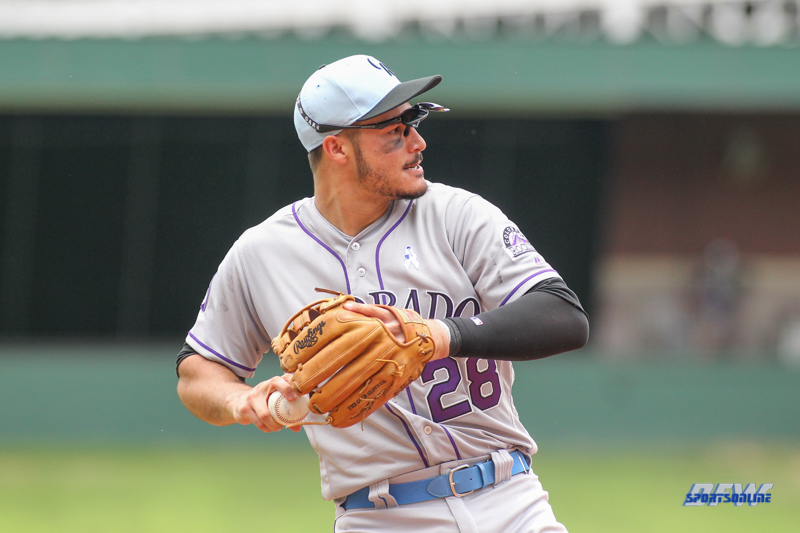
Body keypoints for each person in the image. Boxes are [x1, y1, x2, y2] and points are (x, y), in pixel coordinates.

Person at [176, 55, 589, 532]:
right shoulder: (261, 253)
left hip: (509, 501)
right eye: (394, 130)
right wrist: (239, 401)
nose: (418, 142)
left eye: (414, 121)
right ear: (336, 148)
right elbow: (196, 373)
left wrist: (440, 334)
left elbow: (563, 315)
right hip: (379, 518)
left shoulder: (456, 215)